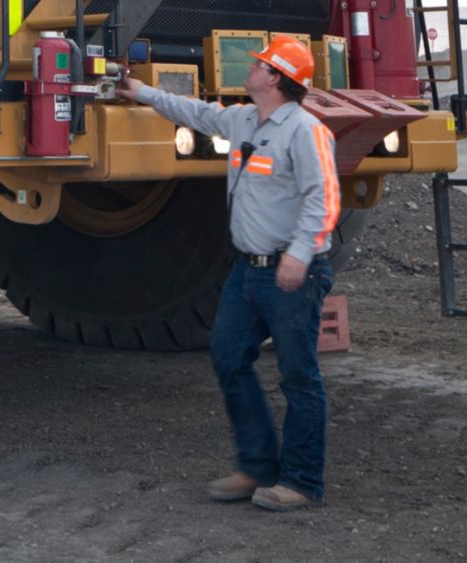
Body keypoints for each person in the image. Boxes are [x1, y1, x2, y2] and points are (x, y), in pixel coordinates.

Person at [119, 35, 339, 512]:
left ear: (276, 79)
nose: (252, 67)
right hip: (248, 271)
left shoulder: (306, 131)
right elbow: (195, 112)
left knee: (299, 377)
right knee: (227, 357)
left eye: (261, 64)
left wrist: (299, 255)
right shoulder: (242, 119)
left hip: (292, 273)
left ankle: (301, 482)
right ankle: (257, 467)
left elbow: (324, 199)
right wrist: (142, 93)